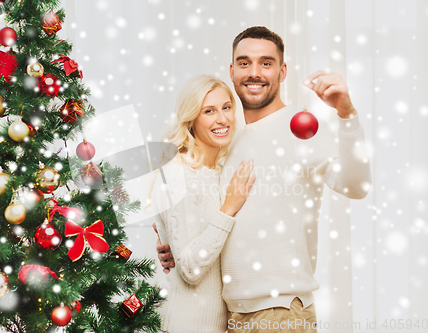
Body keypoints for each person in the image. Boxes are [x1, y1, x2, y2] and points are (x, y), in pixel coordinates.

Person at [155, 26, 372, 332]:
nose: (254, 72)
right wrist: (178, 246)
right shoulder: (228, 142)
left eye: (266, 63)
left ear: (282, 72)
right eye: (244, 63)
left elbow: (356, 186)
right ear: (232, 71)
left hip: (281, 313)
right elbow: (222, 220)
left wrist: (347, 115)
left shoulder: (301, 128)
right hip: (231, 317)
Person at [150, 74, 256, 333]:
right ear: (191, 119)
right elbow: (190, 269)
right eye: (209, 111)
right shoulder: (177, 173)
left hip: (218, 323)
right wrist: (228, 208)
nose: (222, 119)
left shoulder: (218, 170)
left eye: (226, 107)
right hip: (185, 325)